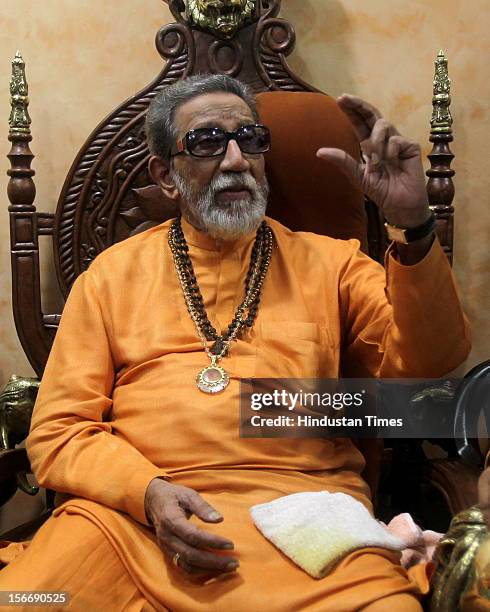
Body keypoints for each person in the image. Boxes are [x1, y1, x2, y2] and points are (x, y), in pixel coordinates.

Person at [0, 74, 471, 611]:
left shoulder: (332, 263)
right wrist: (146, 492)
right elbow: (59, 430)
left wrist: (412, 224)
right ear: (166, 174)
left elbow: (430, 367)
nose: (235, 160)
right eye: (207, 142)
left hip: (303, 519)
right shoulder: (109, 277)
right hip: (129, 523)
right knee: (27, 599)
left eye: (250, 140)